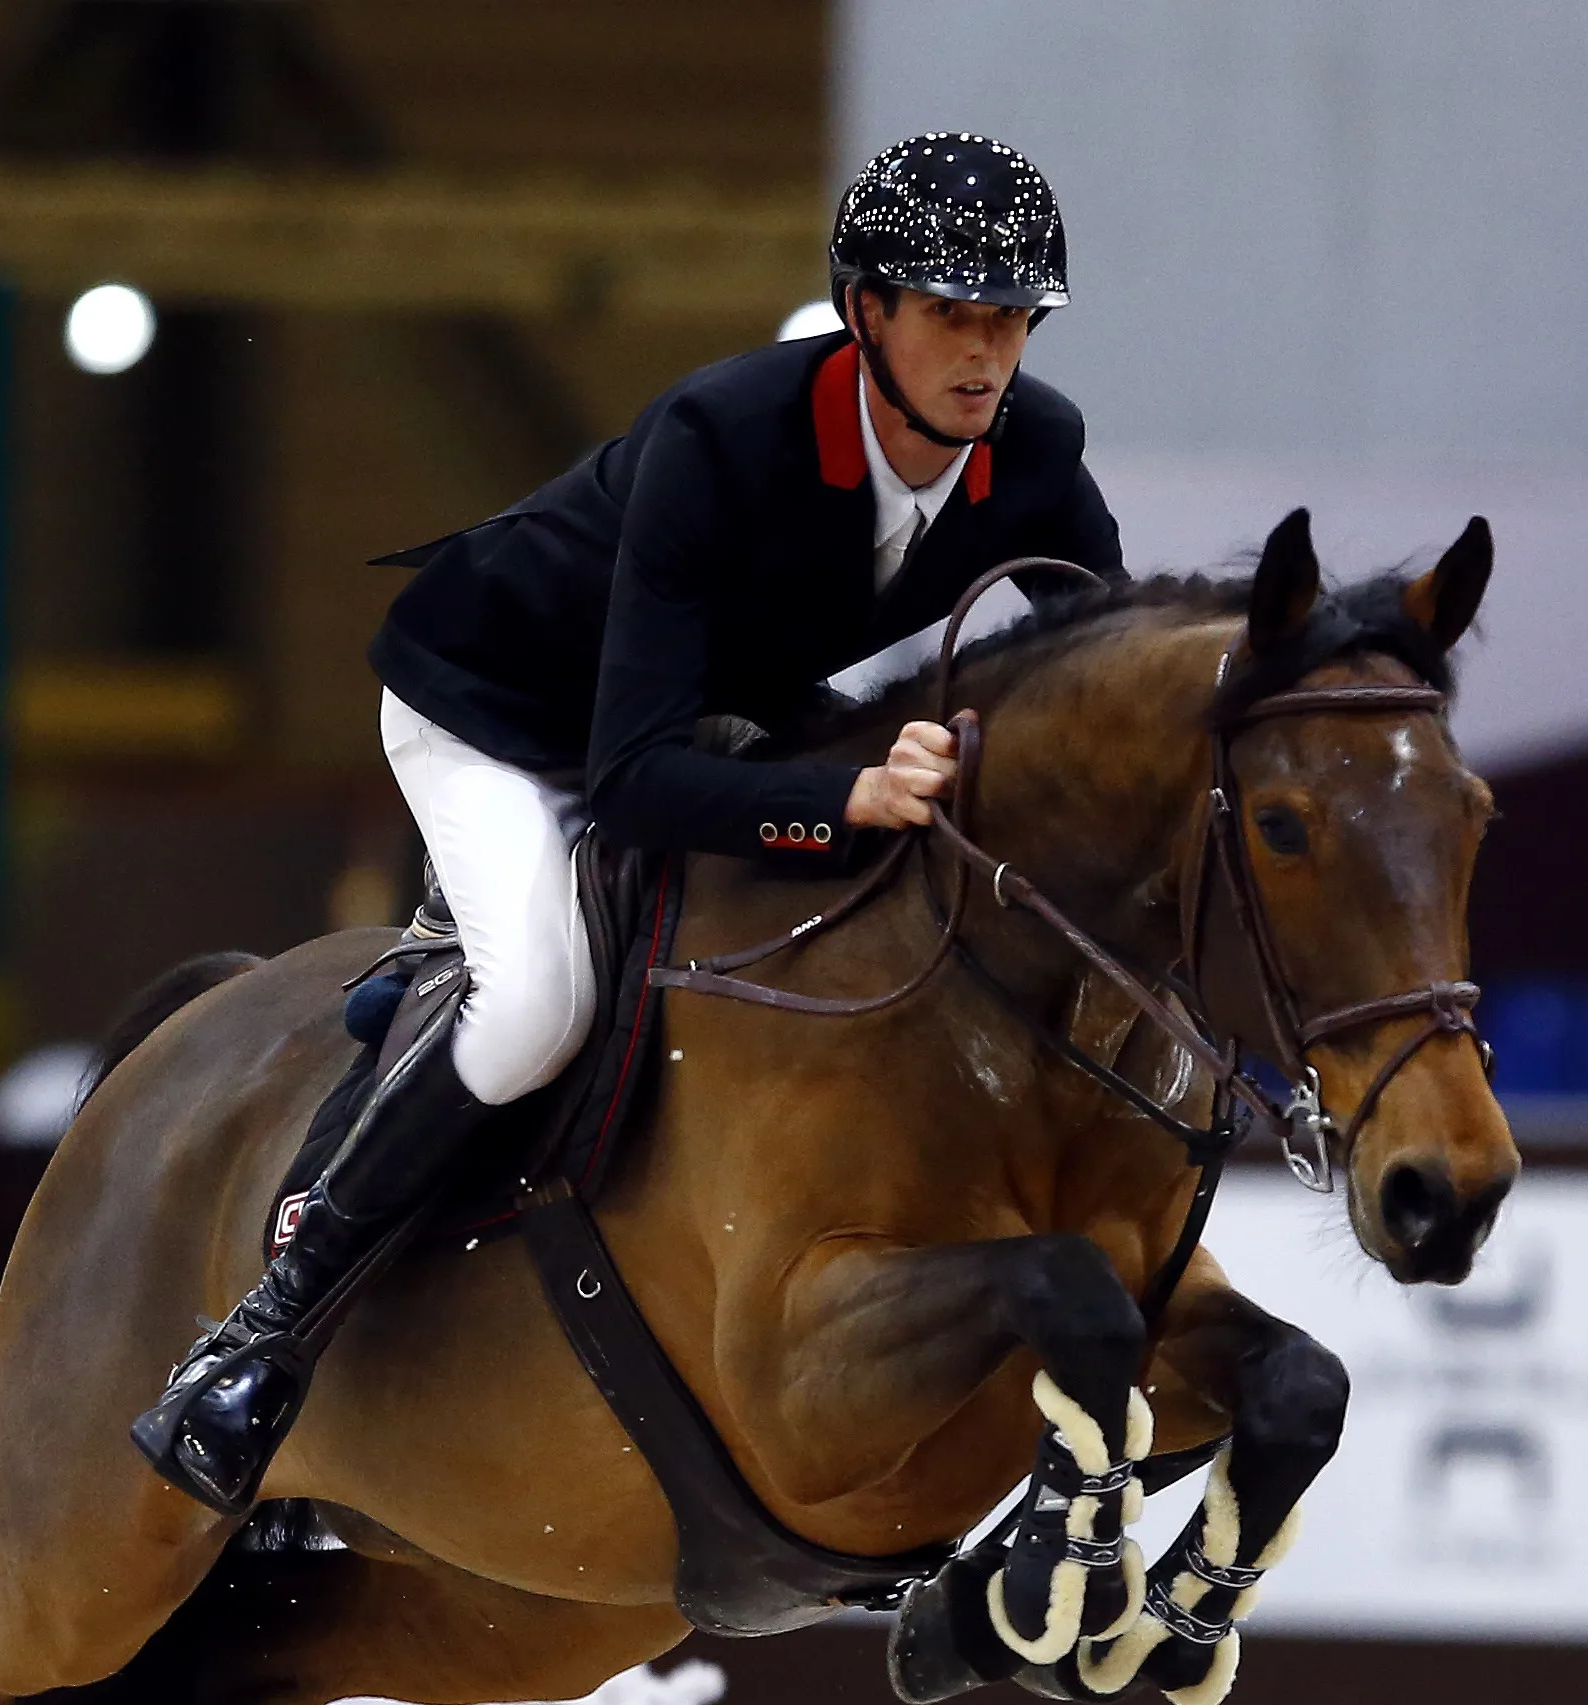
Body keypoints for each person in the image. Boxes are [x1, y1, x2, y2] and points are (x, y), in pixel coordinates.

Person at [133, 130, 1126, 1515]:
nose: (987, 353)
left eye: (1012, 318)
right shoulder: (722, 438)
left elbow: (1104, 675)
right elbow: (636, 779)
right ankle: (264, 1332)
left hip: (692, 709)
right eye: (954, 315)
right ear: (866, 313)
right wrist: (841, 794)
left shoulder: (1037, 452)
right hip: (495, 711)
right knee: (541, 996)